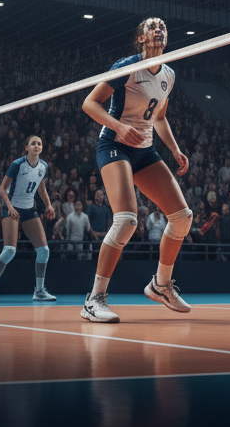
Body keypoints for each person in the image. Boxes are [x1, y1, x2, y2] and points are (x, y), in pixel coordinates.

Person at [79, 17, 193, 323]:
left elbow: (159, 117)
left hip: (145, 149)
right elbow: (90, 103)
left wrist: (174, 149)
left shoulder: (169, 73)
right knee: (127, 220)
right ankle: (94, 299)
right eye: (152, 27)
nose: (158, 30)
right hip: (114, 145)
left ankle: (161, 285)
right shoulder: (127, 66)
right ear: (140, 38)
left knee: (182, 218)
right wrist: (119, 126)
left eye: (162, 27)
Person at [0, 135, 57, 302]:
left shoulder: (43, 166)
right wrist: (9, 207)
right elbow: (2, 189)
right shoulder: (17, 164)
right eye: (33, 143)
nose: (36, 146)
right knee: (9, 250)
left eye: (39, 143)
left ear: (42, 148)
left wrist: (49, 205)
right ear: (27, 148)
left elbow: (41, 189)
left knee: (44, 251)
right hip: (11, 207)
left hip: (28, 209)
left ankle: (39, 291)